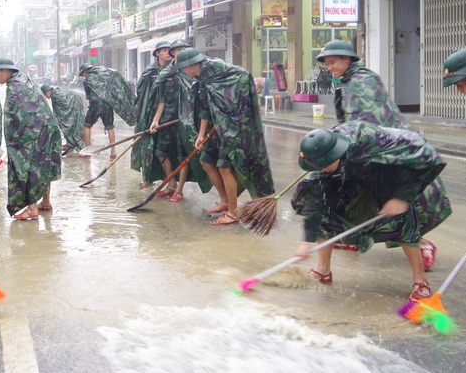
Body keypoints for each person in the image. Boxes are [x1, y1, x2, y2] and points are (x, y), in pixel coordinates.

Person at [318, 40, 444, 267]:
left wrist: (352, 149)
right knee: (362, 199)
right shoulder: (348, 81)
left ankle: (422, 245)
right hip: (366, 151)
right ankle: (350, 237)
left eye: (333, 62)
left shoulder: (362, 81)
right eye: (327, 64)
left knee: (397, 203)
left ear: (348, 59)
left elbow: (368, 122)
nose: (330, 67)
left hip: (385, 154)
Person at [292, 122, 451, 300]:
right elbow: (316, 199)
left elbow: (428, 156)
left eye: (322, 166)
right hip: (351, 173)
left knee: (400, 221)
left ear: (334, 154)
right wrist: (306, 240)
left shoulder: (370, 142)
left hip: (387, 169)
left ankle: (420, 280)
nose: (319, 170)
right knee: (325, 213)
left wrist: (402, 197)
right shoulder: (322, 158)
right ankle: (323, 270)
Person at [176, 47, 275, 225]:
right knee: (206, 160)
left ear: (192, 65)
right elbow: (206, 108)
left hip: (235, 127)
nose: (184, 72)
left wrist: (234, 114)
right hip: (218, 127)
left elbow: (244, 76)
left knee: (224, 167)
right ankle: (225, 201)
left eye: (184, 68)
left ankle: (233, 212)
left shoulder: (217, 70)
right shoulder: (201, 80)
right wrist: (201, 135)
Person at [0, 58, 61, 220]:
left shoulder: (14, 87)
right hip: (48, 128)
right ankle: (46, 202)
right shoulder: (25, 80)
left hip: (36, 133)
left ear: (7, 71)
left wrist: (12, 145)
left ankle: (31, 209)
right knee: (45, 165)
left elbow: (13, 119)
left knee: (29, 167)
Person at [148, 39, 193, 201]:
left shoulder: (191, 70)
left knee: (184, 156)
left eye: (183, 49)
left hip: (185, 122)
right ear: (173, 52)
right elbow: (162, 100)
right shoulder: (166, 73)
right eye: (177, 49)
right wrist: (155, 120)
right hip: (167, 120)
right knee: (161, 153)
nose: (180, 52)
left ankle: (179, 190)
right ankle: (171, 183)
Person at [131, 40, 173, 189]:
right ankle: (148, 177)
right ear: (157, 53)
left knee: (166, 149)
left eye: (170, 50)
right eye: (164, 50)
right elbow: (141, 92)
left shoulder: (175, 69)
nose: (168, 53)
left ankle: (171, 183)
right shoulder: (150, 71)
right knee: (147, 146)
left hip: (170, 115)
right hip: (150, 113)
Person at [80, 63, 137, 161]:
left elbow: (89, 98)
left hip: (96, 104)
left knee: (87, 125)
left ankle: (88, 150)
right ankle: (113, 153)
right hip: (108, 103)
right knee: (110, 127)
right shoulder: (104, 75)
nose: (83, 76)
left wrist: (93, 111)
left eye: (82, 74)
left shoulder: (87, 80)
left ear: (85, 72)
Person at [41, 83, 86, 153]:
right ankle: (70, 143)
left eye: (44, 94)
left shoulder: (55, 95)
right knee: (73, 124)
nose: (45, 97)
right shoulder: (56, 92)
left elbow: (62, 111)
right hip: (76, 101)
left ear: (47, 91)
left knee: (71, 125)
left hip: (75, 104)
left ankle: (78, 145)